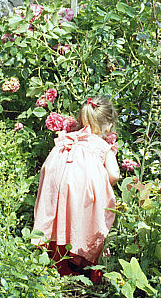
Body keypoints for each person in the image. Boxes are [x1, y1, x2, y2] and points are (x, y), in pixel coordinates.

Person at [32, 96, 120, 283]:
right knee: (87, 220)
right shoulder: (103, 146)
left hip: (54, 181)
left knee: (59, 218)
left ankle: (56, 269)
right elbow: (114, 175)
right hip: (82, 185)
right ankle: (85, 270)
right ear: (109, 126)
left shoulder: (67, 139)